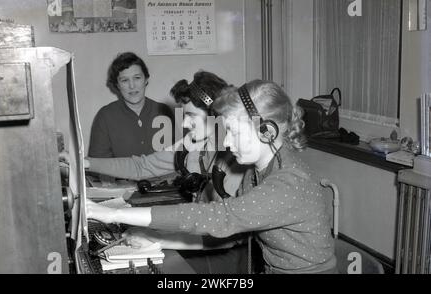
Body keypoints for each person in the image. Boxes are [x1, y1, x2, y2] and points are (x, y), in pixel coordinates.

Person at [86, 80, 337, 274]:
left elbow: (219, 217)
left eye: (233, 133)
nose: (226, 142)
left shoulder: (288, 182)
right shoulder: (256, 171)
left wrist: (112, 214)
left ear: (266, 131)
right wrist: (158, 240)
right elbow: (227, 232)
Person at [82, 71, 249, 274]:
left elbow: (225, 232)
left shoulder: (236, 159)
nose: (185, 124)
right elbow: (142, 166)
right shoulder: (194, 144)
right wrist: (85, 163)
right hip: (199, 237)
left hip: (226, 254)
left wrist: (156, 238)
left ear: (217, 116)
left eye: (191, 116)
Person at [89, 52, 175, 158]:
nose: (132, 86)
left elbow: (177, 159)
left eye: (137, 78)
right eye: (124, 80)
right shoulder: (105, 116)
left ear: (146, 79)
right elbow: (98, 166)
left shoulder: (165, 111)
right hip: (120, 175)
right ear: (117, 85)